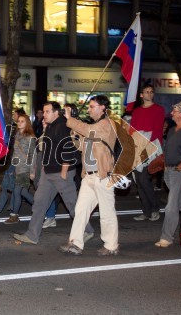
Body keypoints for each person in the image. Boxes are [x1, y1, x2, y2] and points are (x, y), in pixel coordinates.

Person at [13, 101, 94, 245]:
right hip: (48, 172)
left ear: (56, 112)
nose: (44, 115)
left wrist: (63, 172)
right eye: (43, 112)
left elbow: (68, 150)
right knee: (39, 203)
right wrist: (44, 166)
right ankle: (32, 235)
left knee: (72, 204)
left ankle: (87, 230)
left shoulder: (63, 126)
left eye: (47, 112)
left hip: (61, 172)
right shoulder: (51, 126)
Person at [58, 95, 119, 256]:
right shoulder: (94, 126)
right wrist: (74, 132)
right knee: (80, 210)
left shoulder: (107, 124)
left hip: (103, 175)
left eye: (92, 107)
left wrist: (71, 120)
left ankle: (111, 245)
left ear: (102, 108)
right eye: (89, 106)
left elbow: (88, 130)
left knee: (106, 212)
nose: (89, 109)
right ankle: (76, 243)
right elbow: (80, 146)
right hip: (88, 176)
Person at [155, 100, 181, 248]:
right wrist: (165, 166)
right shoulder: (172, 130)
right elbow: (168, 150)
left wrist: (179, 168)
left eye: (175, 111)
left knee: (171, 205)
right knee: (179, 203)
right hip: (169, 171)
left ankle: (167, 237)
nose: (172, 113)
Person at [130, 84, 165, 222]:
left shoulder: (159, 109)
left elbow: (157, 130)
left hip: (151, 147)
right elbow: (132, 129)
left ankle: (155, 209)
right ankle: (146, 211)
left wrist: (142, 139)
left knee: (144, 179)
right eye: (146, 92)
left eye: (151, 92)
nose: (149, 94)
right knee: (139, 181)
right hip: (138, 147)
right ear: (141, 95)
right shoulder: (137, 111)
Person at [4, 114, 36, 224]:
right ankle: (40, 208)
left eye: (22, 121)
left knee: (17, 192)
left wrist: (32, 171)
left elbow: (32, 155)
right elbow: (15, 153)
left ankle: (14, 215)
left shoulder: (31, 137)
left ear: (27, 123)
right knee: (24, 193)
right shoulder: (16, 135)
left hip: (25, 168)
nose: (20, 123)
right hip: (17, 167)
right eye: (18, 121)